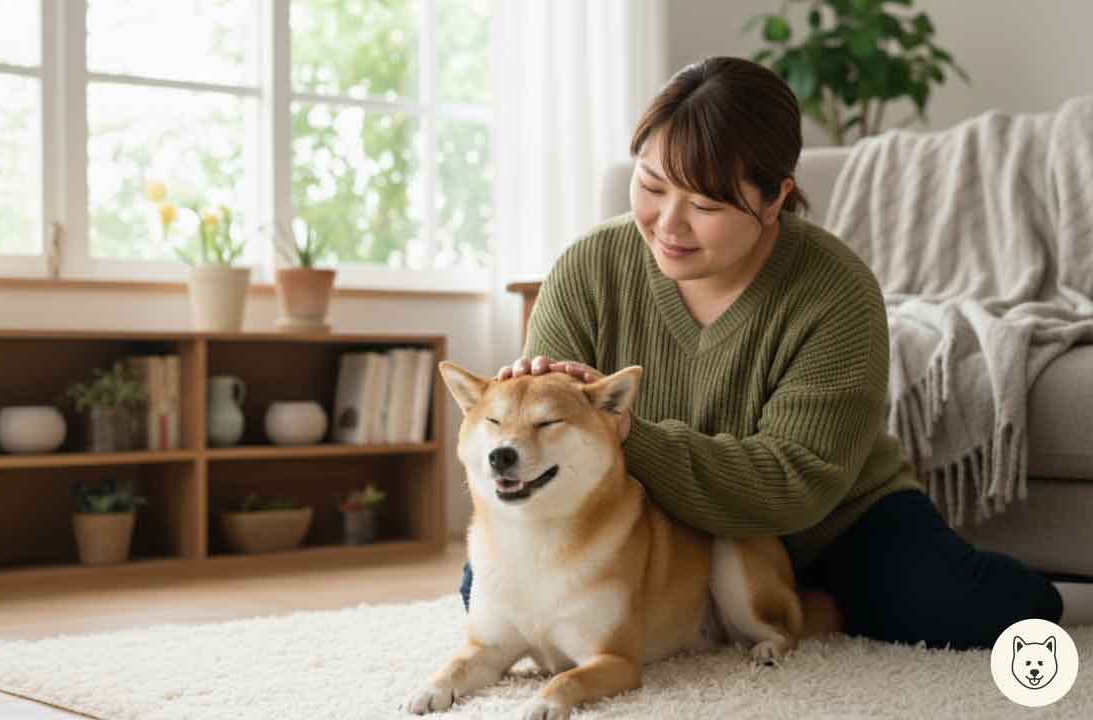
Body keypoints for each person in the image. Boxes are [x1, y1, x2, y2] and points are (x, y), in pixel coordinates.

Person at [459, 56, 1071, 651]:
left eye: (705, 205)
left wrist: (628, 433)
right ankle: (735, 603)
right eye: (650, 186)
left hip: (829, 524)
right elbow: (553, 452)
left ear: (775, 199)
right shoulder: (589, 265)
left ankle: (832, 595)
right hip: (663, 527)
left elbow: (794, 485)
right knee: (485, 594)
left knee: (961, 610)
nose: (669, 224)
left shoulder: (836, 290)